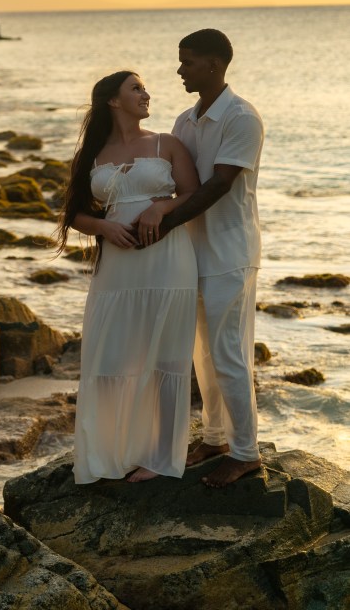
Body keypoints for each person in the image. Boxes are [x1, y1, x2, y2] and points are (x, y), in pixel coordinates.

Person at [58, 70, 200, 484]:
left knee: (168, 357)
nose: (145, 93)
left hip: (169, 260)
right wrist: (103, 228)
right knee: (111, 356)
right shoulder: (93, 153)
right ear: (113, 101)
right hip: (117, 268)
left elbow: (193, 194)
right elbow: (75, 214)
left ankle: (158, 457)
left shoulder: (166, 144)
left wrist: (161, 209)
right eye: (135, 88)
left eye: (144, 87)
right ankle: (108, 452)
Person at [158, 29, 265, 488]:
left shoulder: (242, 118)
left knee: (229, 352)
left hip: (231, 253)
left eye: (187, 62)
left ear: (214, 65)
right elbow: (177, 185)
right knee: (204, 354)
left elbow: (219, 185)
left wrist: (164, 222)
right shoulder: (185, 120)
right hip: (193, 253)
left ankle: (246, 453)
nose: (180, 70)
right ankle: (217, 436)